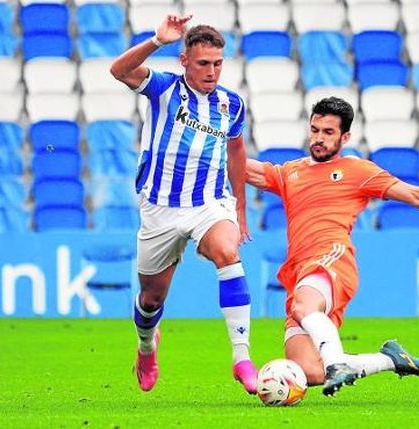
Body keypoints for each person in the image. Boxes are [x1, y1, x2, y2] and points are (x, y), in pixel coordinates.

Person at [246, 97, 419, 396]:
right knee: (309, 371)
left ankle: (337, 364)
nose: (319, 138)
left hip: (332, 259)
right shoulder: (290, 173)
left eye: (328, 132)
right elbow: (243, 168)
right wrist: (193, 144)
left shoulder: (357, 170)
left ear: (345, 137)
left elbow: (416, 195)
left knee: (304, 308)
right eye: (315, 130)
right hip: (300, 271)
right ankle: (390, 359)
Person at [110, 16, 258, 393]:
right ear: (184, 62)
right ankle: (147, 346)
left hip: (209, 203)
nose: (211, 71)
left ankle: (242, 359)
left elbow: (236, 151)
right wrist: (157, 40)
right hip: (160, 207)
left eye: (218, 63)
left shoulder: (231, 104)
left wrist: (239, 209)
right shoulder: (163, 88)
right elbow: (118, 69)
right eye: (203, 63)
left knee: (228, 252)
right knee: (151, 299)